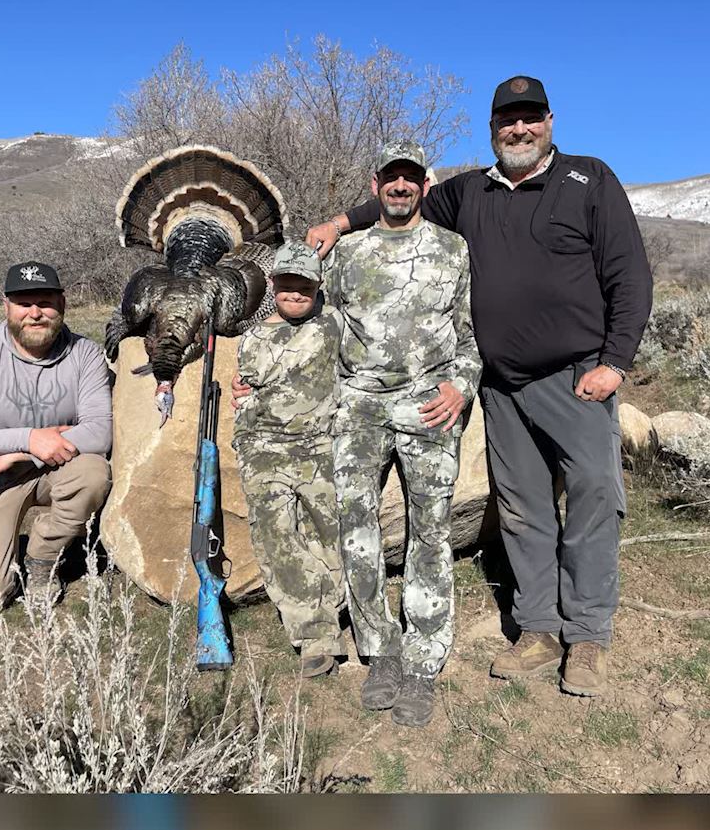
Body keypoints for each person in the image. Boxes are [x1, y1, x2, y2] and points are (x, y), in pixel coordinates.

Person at [305, 77, 653, 697]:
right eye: (506, 121)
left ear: (549, 120)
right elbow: (398, 199)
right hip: (500, 386)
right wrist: (338, 222)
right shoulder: (469, 191)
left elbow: (630, 274)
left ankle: (589, 634)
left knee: (595, 497)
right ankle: (540, 629)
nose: (518, 130)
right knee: (522, 509)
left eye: (529, 118)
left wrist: (615, 362)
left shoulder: (589, 180)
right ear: (492, 129)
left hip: (577, 378)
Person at [303, 140, 479, 727]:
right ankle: (381, 649)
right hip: (358, 407)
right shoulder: (345, 253)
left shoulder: (453, 250)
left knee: (430, 531)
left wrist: (462, 385)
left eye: (411, 178)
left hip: (429, 406)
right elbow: (315, 325)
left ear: (425, 185)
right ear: (375, 183)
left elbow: (472, 335)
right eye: (391, 178)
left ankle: (424, 660)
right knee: (358, 529)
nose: (401, 187)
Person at [0, 261, 114, 614]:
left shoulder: (85, 354)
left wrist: (22, 454)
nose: (35, 313)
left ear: (62, 303)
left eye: (45, 302)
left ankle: (43, 557)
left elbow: (99, 432)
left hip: (52, 469)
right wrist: (29, 439)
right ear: (6, 306)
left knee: (93, 473)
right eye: (24, 303)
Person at [231, 241, 347, 679]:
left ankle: (332, 611)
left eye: (305, 286)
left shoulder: (335, 323)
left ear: (319, 287)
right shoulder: (253, 337)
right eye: (287, 285)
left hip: (322, 447)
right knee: (277, 537)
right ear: (272, 285)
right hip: (265, 451)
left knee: (329, 529)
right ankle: (313, 634)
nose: (295, 294)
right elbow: (245, 392)